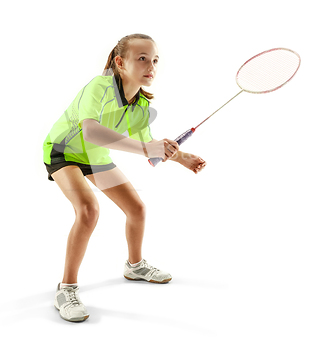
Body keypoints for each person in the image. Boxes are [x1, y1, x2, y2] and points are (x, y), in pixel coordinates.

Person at [43, 33, 207, 322]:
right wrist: (148, 147)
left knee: (137, 209)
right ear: (120, 62)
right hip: (64, 152)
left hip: (95, 158)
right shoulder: (100, 86)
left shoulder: (141, 106)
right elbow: (91, 131)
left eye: (155, 60)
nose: (151, 66)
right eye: (142, 58)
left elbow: (151, 151)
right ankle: (66, 288)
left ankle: (134, 266)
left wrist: (182, 158)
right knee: (89, 210)